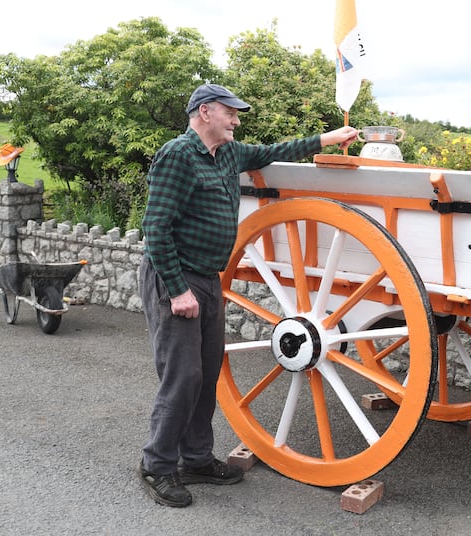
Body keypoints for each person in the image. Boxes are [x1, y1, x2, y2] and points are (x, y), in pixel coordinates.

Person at [138, 83, 358, 507]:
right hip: (176, 279)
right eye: (230, 112)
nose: (237, 120)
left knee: (205, 374)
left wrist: (328, 139)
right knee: (182, 377)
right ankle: (156, 466)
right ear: (204, 113)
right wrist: (178, 290)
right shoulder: (178, 155)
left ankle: (196, 460)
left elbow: (275, 150)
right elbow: (156, 228)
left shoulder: (230, 153)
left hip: (206, 277)